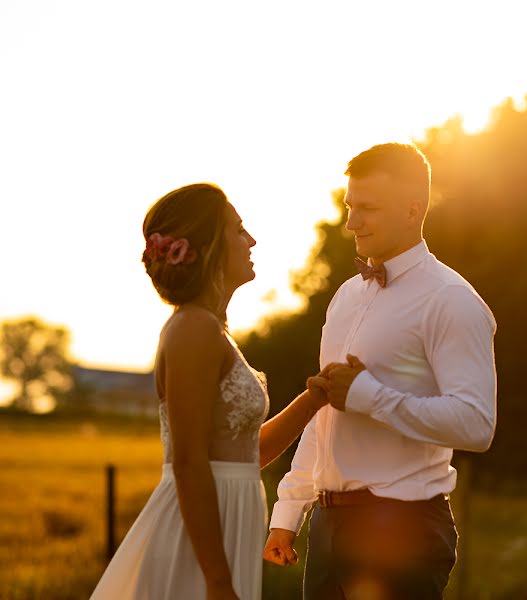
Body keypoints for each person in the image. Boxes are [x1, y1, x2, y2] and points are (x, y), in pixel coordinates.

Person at [264, 143, 498, 599]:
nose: (352, 222)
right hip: (330, 528)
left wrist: (370, 395)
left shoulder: (452, 301)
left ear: (413, 211)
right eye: (351, 206)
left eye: (367, 208)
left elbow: (477, 424)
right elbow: (326, 415)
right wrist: (289, 512)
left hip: (402, 530)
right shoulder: (346, 298)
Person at [90, 183, 330, 600]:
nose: (251, 240)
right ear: (210, 246)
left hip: (227, 520)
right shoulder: (192, 330)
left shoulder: (212, 332)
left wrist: (315, 397)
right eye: (239, 230)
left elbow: (245, 454)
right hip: (198, 536)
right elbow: (188, 463)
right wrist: (218, 581)